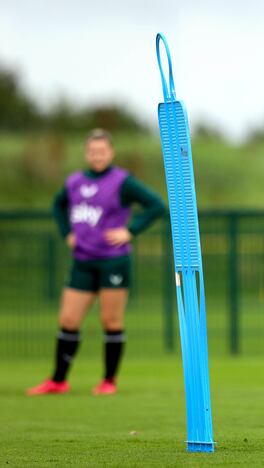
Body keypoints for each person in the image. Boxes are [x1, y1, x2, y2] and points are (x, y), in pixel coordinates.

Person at [27, 128, 165, 396]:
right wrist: (66, 233)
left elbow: (156, 205)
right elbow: (58, 206)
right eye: (92, 151)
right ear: (86, 153)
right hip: (83, 261)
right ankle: (58, 380)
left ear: (111, 153)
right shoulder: (75, 181)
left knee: (110, 321)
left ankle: (108, 381)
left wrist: (130, 231)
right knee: (68, 318)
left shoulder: (122, 181)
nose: (97, 155)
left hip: (113, 262)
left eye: (102, 151)